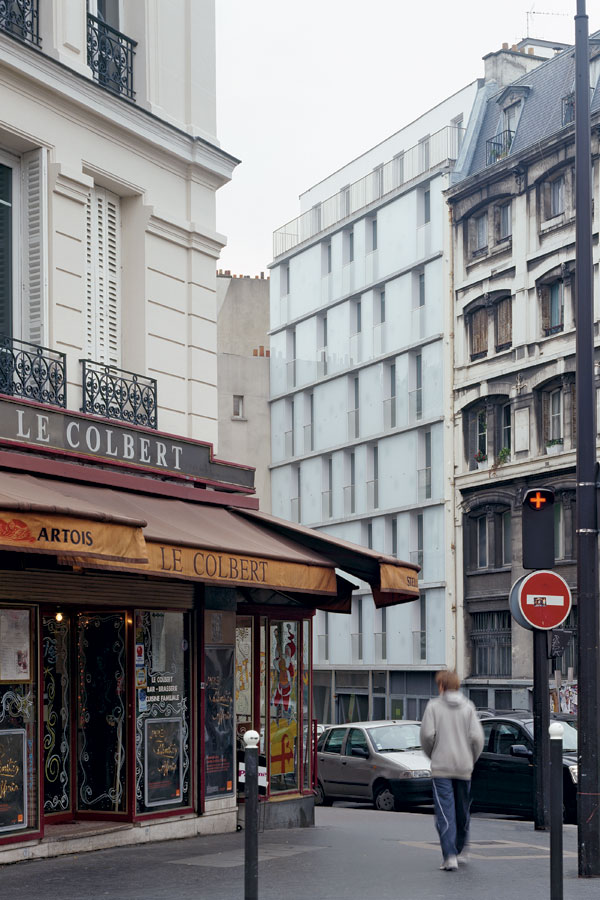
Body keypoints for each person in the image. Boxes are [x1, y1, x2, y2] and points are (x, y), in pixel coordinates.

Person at [420, 670, 484, 872]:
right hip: (464, 766)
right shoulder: (469, 706)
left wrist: (433, 754)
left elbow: (427, 736)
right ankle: (462, 849)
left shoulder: (433, 707)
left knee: (445, 812)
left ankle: (450, 856)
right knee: (462, 809)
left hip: (442, 767)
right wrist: (470, 758)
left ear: (441, 686)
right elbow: (477, 738)